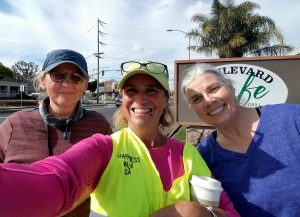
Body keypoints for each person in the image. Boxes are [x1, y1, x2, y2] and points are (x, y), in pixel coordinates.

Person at [0, 61, 240, 217]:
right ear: (122, 98)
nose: (140, 100)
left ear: (165, 99)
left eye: (151, 91)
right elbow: (59, 180)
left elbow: (227, 211)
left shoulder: (188, 153)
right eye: (131, 91)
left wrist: (200, 214)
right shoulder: (104, 146)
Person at [0, 49, 112, 217]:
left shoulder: (99, 126)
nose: (66, 84)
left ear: (85, 84)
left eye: (76, 77)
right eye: (58, 76)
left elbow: (111, 179)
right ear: (43, 81)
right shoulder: (14, 125)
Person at [181, 63, 300, 217]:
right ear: (194, 109)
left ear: (231, 87)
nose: (208, 101)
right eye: (197, 99)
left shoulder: (291, 118)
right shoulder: (204, 156)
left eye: (214, 89)